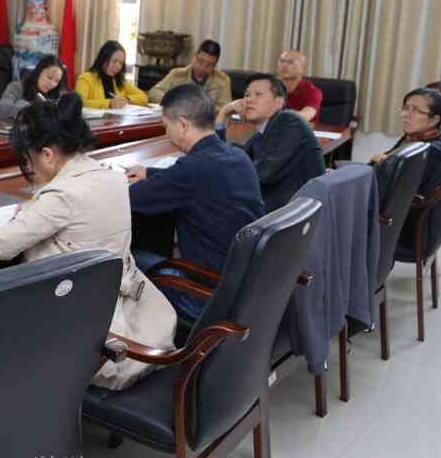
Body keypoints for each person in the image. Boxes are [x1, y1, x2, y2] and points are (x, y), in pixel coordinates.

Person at [0, 93, 175, 390]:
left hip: (92, 337)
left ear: (47, 154)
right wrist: (32, 211)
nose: (30, 169)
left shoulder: (61, 196)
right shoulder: (110, 177)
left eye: (29, 160)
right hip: (133, 313)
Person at [124, 84, 264, 319]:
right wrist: (150, 172)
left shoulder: (191, 170)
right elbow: (194, 179)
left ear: (182, 125)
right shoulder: (238, 156)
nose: (166, 133)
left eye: (165, 126)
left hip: (203, 296)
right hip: (244, 286)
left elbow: (129, 198)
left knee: (127, 258)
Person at [216, 73, 326, 212]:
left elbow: (262, 174)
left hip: (296, 213)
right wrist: (223, 114)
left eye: (258, 95)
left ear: (278, 103)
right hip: (278, 205)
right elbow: (224, 157)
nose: (249, 100)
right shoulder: (263, 132)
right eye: (247, 95)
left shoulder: (290, 122)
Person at [370, 87, 441, 196]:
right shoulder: (413, 137)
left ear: (434, 120)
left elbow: (400, 189)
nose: (406, 115)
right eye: (405, 108)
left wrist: (382, 164)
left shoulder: (429, 151)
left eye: (416, 111)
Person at [147, 39, 232, 107]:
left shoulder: (222, 80)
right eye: (200, 61)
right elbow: (153, 92)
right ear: (194, 56)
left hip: (206, 121)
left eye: (209, 65)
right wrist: (174, 101)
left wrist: (202, 107)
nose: (203, 68)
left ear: (215, 65)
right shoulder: (177, 74)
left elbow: (225, 108)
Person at [75, 40, 149, 109]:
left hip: (116, 118)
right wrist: (109, 103)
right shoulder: (85, 78)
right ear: (103, 59)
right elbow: (79, 103)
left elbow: (144, 97)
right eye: (114, 61)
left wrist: (127, 99)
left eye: (121, 63)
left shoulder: (120, 81)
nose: (118, 66)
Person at [0, 55, 66, 120]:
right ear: (39, 71)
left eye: (56, 81)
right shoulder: (17, 87)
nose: (51, 83)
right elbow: (2, 110)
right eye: (49, 77)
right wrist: (32, 108)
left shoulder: (58, 96)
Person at [276, 50, 322, 122]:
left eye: (291, 62)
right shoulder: (269, 87)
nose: (284, 65)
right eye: (282, 61)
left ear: (303, 68)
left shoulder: (312, 91)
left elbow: (306, 115)